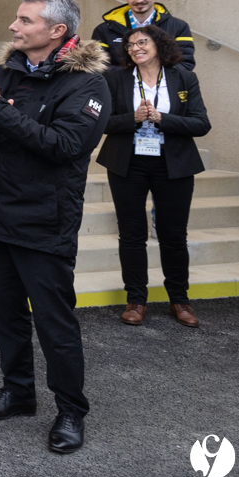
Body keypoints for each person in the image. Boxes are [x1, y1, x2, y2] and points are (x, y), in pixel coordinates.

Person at [0, 0, 109, 455]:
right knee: (4, 315)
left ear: (57, 30)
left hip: (44, 223)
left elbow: (62, 145)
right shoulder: (5, 72)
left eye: (24, 20)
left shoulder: (88, 84)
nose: (13, 27)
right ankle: (18, 393)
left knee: (54, 324)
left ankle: (70, 411)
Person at [96, 25, 210, 328]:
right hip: (127, 163)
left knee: (174, 236)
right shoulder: (114, 78)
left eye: (142, 42)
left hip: (173, 164)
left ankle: (179, 301)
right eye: (130, 45)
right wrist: (131, 119)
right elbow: (101, 122)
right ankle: (136, 301)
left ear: (159, 45)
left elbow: (201, 123)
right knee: (131, 235)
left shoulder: (185, 78)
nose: (135, 48)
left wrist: (164, 119)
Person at [90, 0, 196, 70]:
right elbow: (99, 66)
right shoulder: (103, 30)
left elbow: (186, 63)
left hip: (165, 88)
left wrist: (154, 78)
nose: (139, 0)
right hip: (121, 89)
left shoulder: (179, 27)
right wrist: (135, 78)